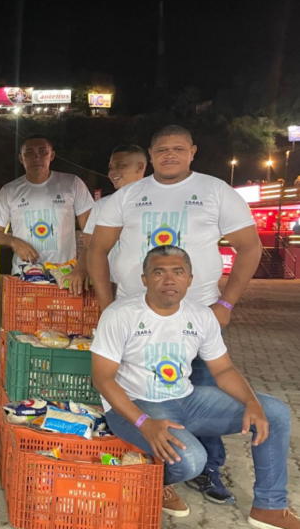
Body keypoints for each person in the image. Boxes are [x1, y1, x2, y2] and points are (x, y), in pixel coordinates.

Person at [88, 125, 263, 505]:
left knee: (201, 394)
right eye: (162, 149)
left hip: (197, 319)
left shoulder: (216, 191)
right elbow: (97, 250)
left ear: (193, 152)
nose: (170, 155)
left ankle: (208, 469)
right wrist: (107, 308)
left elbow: (250, 248)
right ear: (150, 155)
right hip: (136, 319)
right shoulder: (129, 196)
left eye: (178, 149)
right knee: (144, 399)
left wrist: (227, 303)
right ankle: (156, 465)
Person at [91, 246, 296, 528]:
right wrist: (144, 423)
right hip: (137, 406)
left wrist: (252, 404)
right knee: (190, 462)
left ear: (190, 279)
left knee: (274, 412)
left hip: (188, 400)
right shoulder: (120, 315)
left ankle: (268, 507)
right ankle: (152, 481)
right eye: (159, 272)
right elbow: (102, 378)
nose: (169, 280)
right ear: (144, 279)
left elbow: (223, 369)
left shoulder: (200, 315)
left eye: (178, 272)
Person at [0, 134, 94, 294]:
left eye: (42, 151)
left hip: (65, 275)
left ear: (52, 155)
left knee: (64, 319)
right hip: (25, 275)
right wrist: (14, 241)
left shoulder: (72, 183)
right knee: (24, 318)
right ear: (21, 158)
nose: (36, 157)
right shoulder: (9, 191)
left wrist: (82, 266)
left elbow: (91, 230)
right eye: (29, 153)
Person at [77, 145, 148, 281]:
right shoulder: (102, 205)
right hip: (113, 286)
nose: (112, 172)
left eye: (120, 166)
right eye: (111, 167)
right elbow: (89, 248)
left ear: (139, 167)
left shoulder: (156, 202)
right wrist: (80, 269)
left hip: (150, 286)